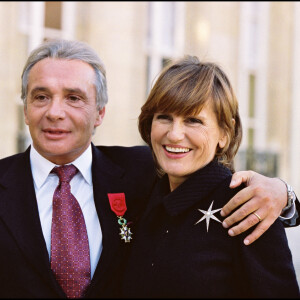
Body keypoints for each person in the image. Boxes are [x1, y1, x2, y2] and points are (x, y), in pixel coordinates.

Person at [0, 39, 298, 298]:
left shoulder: (240, 204)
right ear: (25, 108)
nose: (55, 112)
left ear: (100, 113)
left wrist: (283, 194)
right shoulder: (157, 180)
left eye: (74, 98)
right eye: (41, 97)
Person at [121, 56, 300, 298]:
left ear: (224, 134)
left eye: (193, 120)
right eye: (164, 117)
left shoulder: (248, 205)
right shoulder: (142, 183)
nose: (174, 135)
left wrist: (284, 194)